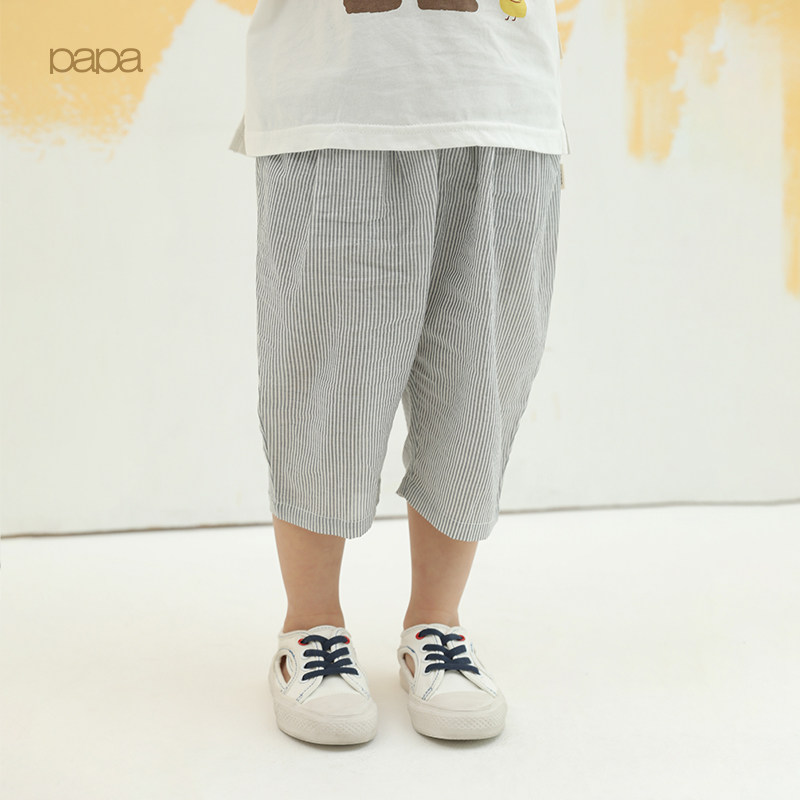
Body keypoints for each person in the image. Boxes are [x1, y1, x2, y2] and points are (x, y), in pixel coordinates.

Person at [229, 0, 570, 746]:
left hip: (503, 102)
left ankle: (436, 628)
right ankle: (310, 628)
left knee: (481, 387)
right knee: (321, 385)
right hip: (334, 105)